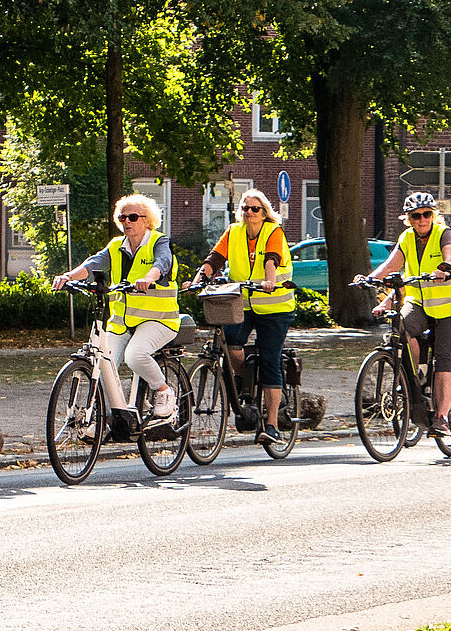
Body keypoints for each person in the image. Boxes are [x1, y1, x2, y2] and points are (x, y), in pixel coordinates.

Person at [54, 193, 180, 435]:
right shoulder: (116, 246)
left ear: (147, 220)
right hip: (122, 322)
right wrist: (68, 276)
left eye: (133, 217)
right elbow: (92, 265)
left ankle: (164, 392)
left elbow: (162, 263)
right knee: (101, 363)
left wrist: (148, 278)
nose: (127, 221)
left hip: (158, 321)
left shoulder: (158, 241)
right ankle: (107, 420)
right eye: (123, 217)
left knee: (136, 355)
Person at [356, 192, 451, 438]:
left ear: (433, 215)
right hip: (421, 303)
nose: (422, 220)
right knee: (402, 328)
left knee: (443, 358)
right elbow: (390, 266)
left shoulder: (444, 234)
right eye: (416, 216)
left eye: (427, 214)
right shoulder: (407, 237)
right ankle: (415, 376)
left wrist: (445, 267)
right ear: (408, 219)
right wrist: (368, 278)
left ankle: (441, 417)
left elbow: (449, 254)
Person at [189, 188, 295, 443]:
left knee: (270, 359)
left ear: (264, 213)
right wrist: (197, 279)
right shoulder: (234, 232)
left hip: (275, 306)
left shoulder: (273, 232)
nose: (249, 212)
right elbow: (214, 258)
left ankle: (271, 426)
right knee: (231, 344)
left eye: (254, 209)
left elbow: (272, 260)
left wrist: (269, 282)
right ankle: (243, 379)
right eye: (245, 208)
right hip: (243, 304)